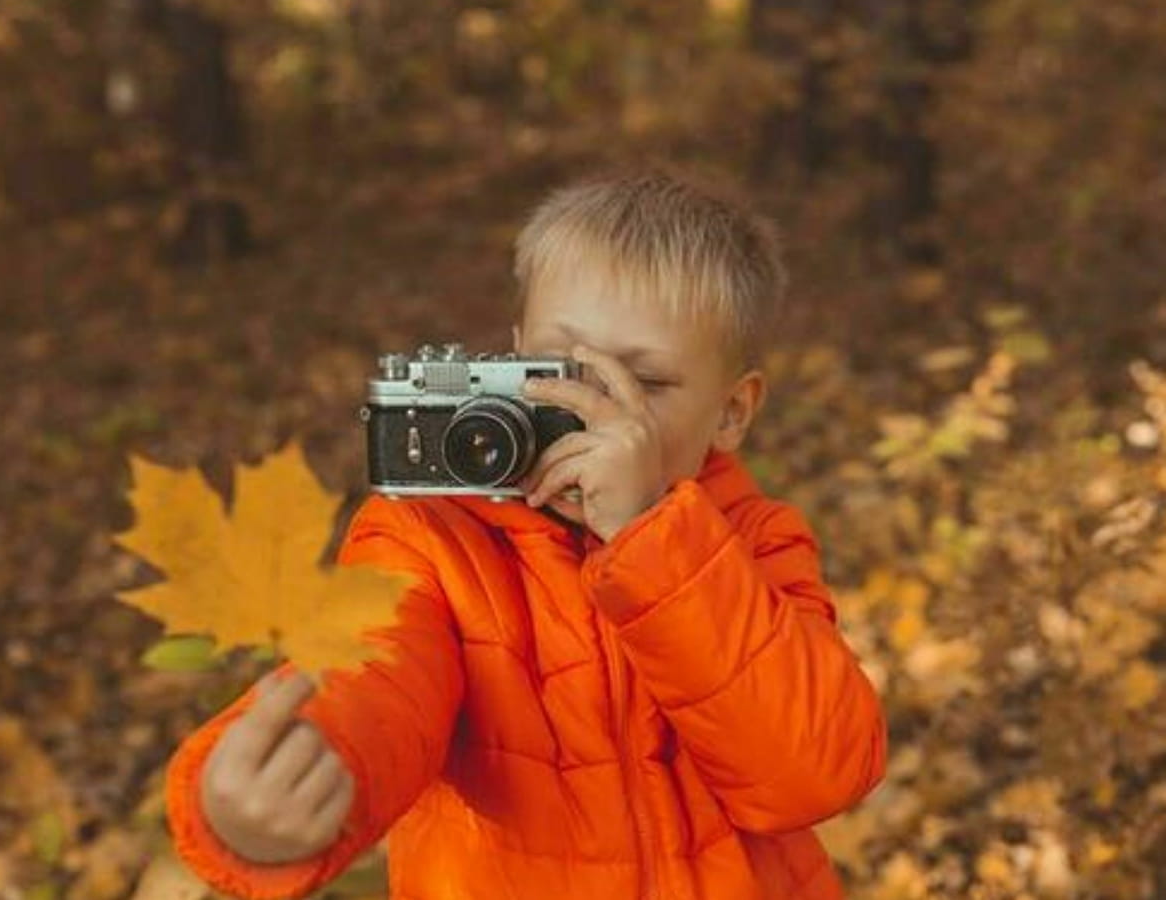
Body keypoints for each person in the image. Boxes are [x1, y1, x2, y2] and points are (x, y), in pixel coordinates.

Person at [163, 164, 888, 899]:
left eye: (651, 384)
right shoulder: (430, 539)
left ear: (732, 412)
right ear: (511, 356)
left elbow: (814, 773)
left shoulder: (752, 542)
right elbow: (377, 672)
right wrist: (300, 771)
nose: (589, 410)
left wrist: (651, 537)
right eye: (559, 368)